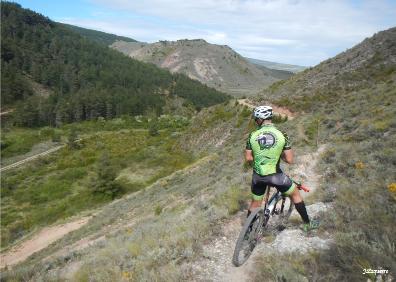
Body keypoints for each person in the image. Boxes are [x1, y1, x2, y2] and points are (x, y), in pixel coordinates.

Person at [245, 105, 318, 232]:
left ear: (261, 119)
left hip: (257, 177)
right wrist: (279, 156)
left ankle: (247, 232)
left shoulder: (252, 135)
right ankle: (307, 224)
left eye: (256, 119)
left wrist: (260, 159)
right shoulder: (282, 135)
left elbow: (249, 158)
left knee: (255, 204)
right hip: (275, 176)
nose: (255, 121)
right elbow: (289, 160)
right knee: (295, 194)